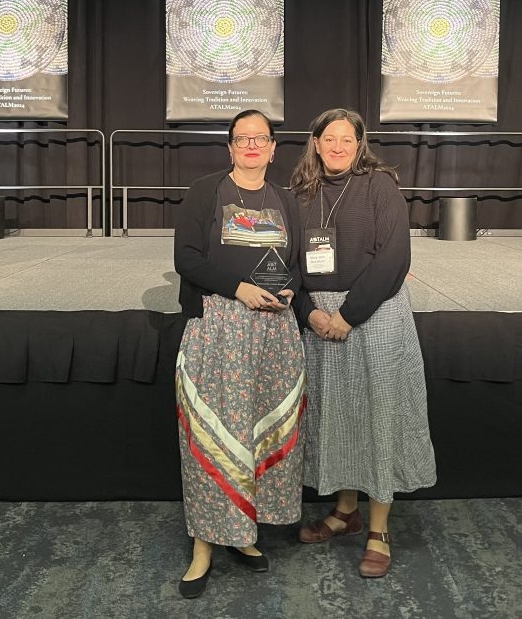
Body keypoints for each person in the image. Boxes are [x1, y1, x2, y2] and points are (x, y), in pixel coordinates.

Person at [290, 108, 436, 578]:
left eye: (346, 140)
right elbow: (285, 257)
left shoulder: (380, 186)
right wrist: (309, 311)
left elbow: (395, 257)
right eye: (329, 139)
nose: (337, 147)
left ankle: (379, 529)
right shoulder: (300, 193)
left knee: (378, 413)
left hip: (373, 313)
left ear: (360, 145)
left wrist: (348, 316)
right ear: (315, 143)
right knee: (336, 413)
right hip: (319, 316)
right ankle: (345, 512)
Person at [172, 109, 307, 599]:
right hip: (219, 329)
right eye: (242, 138)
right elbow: (185, 257)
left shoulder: (286, 200)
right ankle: (204, 546)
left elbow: (296, 264)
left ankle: (243, 534)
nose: (252, 145)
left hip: (273, 334)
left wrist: (289, 289)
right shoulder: (206, 192)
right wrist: (238, 288)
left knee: (258, 432)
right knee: (214, 437)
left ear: (273, 148)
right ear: (230, 148)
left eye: (261, 138)